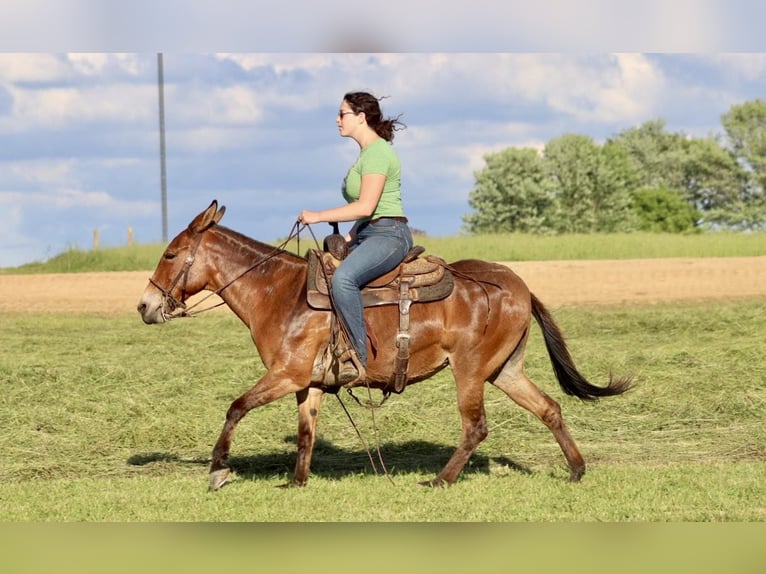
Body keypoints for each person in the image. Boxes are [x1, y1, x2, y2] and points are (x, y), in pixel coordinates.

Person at [299, 91, 413, 382]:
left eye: (342, 114)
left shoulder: (377, 153)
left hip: (389, 235)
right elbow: (366, 216)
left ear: (361, 118)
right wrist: (349, 238)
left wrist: (318, 216)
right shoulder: (367, 153)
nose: (337, 120)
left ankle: (355, 358)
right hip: (368, 233)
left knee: (344, 279)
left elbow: (366, 206)